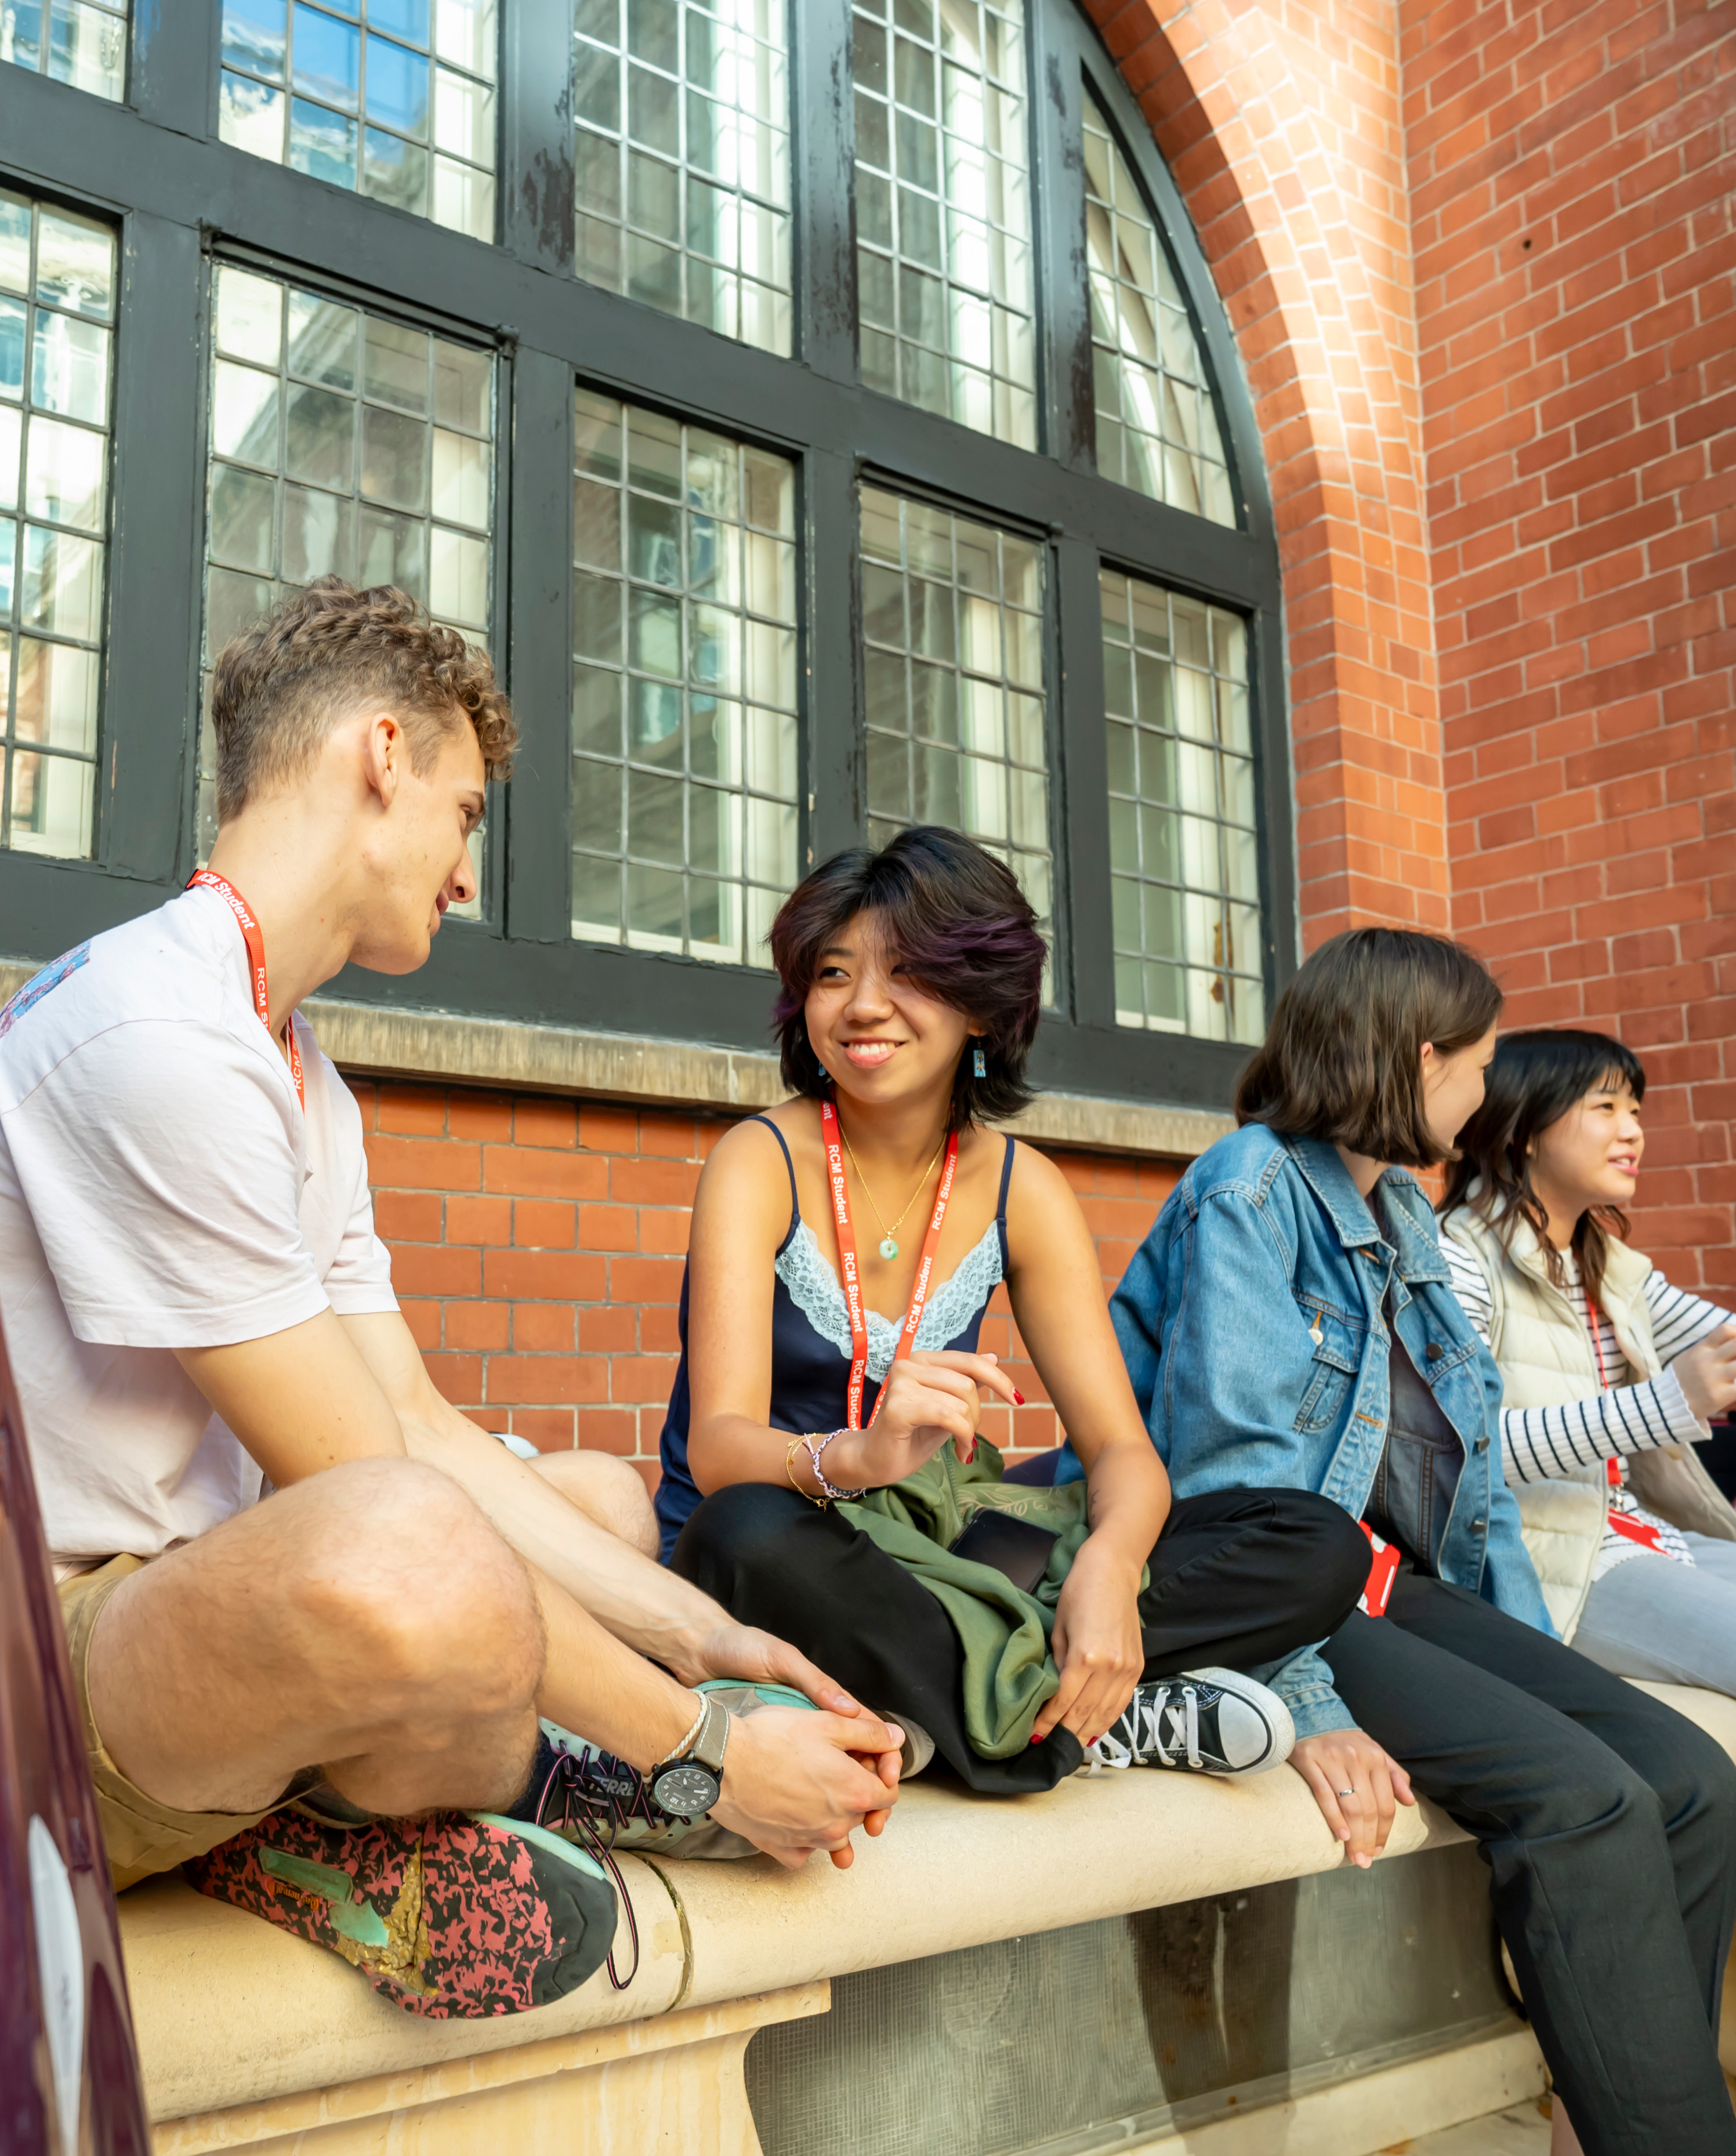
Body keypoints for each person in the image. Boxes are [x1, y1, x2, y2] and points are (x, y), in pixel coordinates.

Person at [0, 579, 902, 2020]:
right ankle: (458, 1798)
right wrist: (705, 1748)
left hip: (204, 1601)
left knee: (600, 1506)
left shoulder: (293, 1063)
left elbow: (414, 1414)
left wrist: (700, 1634)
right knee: (424, 1555)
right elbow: (373, 1484)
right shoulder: (152, 1029)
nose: (467, 872)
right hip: (54, 1675)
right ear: (381, 755)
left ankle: (309, 1829)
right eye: (467, 809)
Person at [1106, 929, 1736, 2156]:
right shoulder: (1246, 1187)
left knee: (1692, 1781)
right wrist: (1308, 1704)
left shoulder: (1395, 1204)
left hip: (1385, 1577)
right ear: (1417, 1055)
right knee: (1581, 1797)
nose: (1485, 1095)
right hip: (1258, 1587)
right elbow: (1236, 1489)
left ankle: (1603, 2102)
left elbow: (1471, 1464)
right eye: (1480, 1065)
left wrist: (1514, 1647)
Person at [656, 826, 1371, 1792]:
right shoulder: (760, 1159)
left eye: (907, 971)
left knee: (1310, 1541)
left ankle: (976, 1702)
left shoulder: (1019, 1188)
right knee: (742, 1530)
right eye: (832, 972)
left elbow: (1121, 1451)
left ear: (981, 1006)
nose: (864, 1005)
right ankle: (1072, 1732)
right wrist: (861, 1457)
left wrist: (1110, 1575)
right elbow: (718, 1447)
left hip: (939, 1546)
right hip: (798, 1551)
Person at [1440, 1028, 1736, 1691]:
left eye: (1634, 1110)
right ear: (1522, 1129)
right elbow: (1463, 1450)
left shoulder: (1604, 1265)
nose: (1631, 1131)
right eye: (1604, 1108)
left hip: (1638, 1534)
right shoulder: (1455, 1258)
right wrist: (1664, 1404)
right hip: (1549, 1566)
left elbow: (1721, 1340)